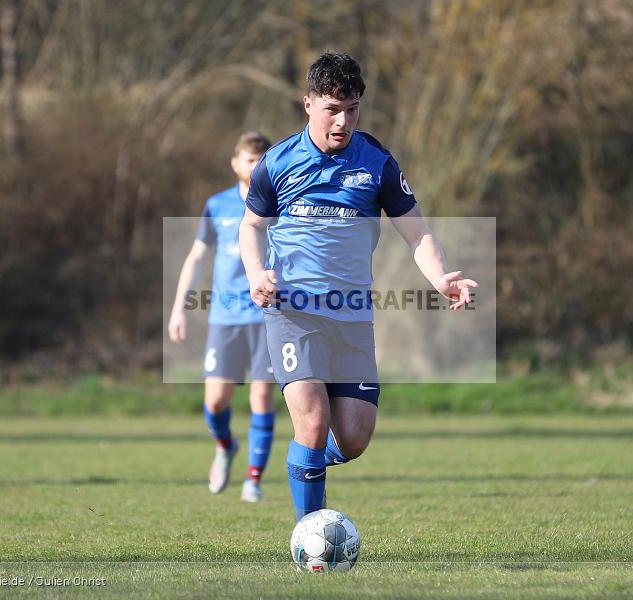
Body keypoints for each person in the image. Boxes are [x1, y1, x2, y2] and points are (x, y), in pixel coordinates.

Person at [239, 53, 476, 520]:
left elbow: (418, 233)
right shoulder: (278, 162)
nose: (342, 120)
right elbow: (250, 227)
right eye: (332, 108)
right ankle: (311, 539)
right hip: (293, 312)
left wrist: (441, 277)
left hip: (350, 316)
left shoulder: (377, 163)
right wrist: (255, 273)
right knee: (311, 421)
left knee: (353, 437)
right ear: (308, 104)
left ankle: (303, 465)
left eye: (352, 108)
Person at [168, 131, 277, 503]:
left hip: (269, 317)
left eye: (262, 159)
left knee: (262, 396)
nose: (255, 166)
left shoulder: (282, 202)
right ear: (236, 164)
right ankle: (226, 446)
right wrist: (179, 307)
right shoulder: (217, 205)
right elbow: (196, 257)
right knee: (216, 401)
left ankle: (254, 480)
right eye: (249, 159)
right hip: (225, 318)